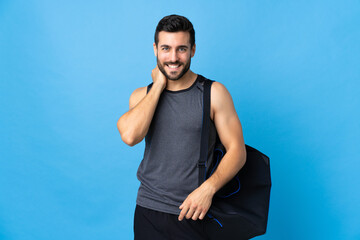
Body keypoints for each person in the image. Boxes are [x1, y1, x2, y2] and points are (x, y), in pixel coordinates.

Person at [117, 14, 246, 240]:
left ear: (193, 50)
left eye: (181, 49)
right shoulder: (142, 96)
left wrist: (208, 189)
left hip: (193, 212)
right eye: (166, 48)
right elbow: (129, 136)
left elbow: (237, 150)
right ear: (155, 49)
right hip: (148, 211)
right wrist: (158, 85)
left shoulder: (214, 93)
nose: (173, 58)